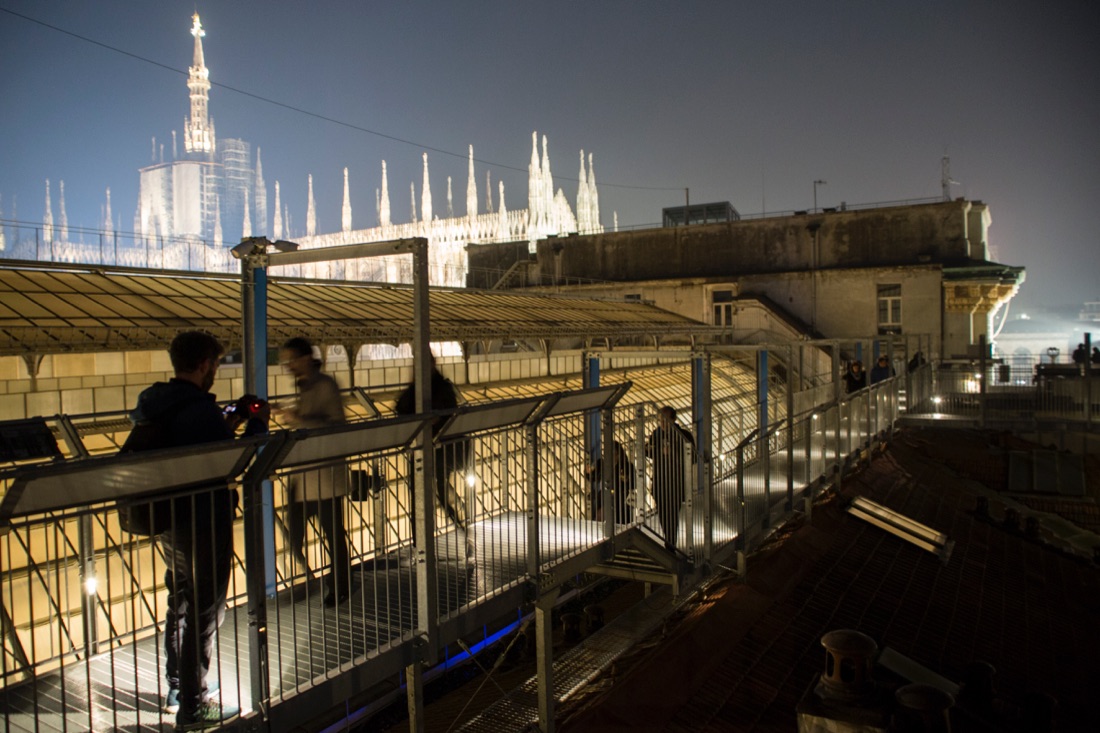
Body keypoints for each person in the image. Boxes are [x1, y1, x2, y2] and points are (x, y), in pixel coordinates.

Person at [125, 331, 267, 730]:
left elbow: (202, 439)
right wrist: (257, 425)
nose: (215, 373)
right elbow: (232, 460)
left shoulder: (156, 402)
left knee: (181, 599)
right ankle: (194, 703)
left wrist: (232, 419)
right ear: (205, 364)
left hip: (170, 519)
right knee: (207, 608)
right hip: (203, 519)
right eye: (216, 365)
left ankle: (177, 686)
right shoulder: (199, 411)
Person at [277, 337, 352, 607]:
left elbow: (334, 424)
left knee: (333, 534)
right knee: (296, 530)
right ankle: (313, 579)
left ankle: (340, 586)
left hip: (324, 475)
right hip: (306, 473)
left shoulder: (324, 386)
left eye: (292, 360)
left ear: (306, 358)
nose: (288, 366)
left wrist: (297, 418)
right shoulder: (308, 386)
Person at [394, 354, 468, 534]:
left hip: (432, 449)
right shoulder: (439, 386)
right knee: (432, 493)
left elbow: (402, 408)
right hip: (432, 449)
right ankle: (454, 529)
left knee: (428, 494)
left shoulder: (425, 387)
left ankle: (425, 539)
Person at [645, 406, 695, 552]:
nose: (663, 423)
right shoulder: (656, 434)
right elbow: (650, 452)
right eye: (660, 420)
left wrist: (672, 451)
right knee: (662, 513)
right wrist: (650, 450)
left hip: (675, 482)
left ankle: (670, 544)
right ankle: (669, 540)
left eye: (665, 420)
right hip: (660, 481)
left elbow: (691, 457)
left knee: (672, 513)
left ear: (674, 419)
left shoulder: (684, 435)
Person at [584, 440, 635, 525]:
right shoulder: (603, 464)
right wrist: (588, 472)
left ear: (618, 454)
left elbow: (629, 484)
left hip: (619, 499)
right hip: (605, 498)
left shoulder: (626, 466)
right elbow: (594, 478)